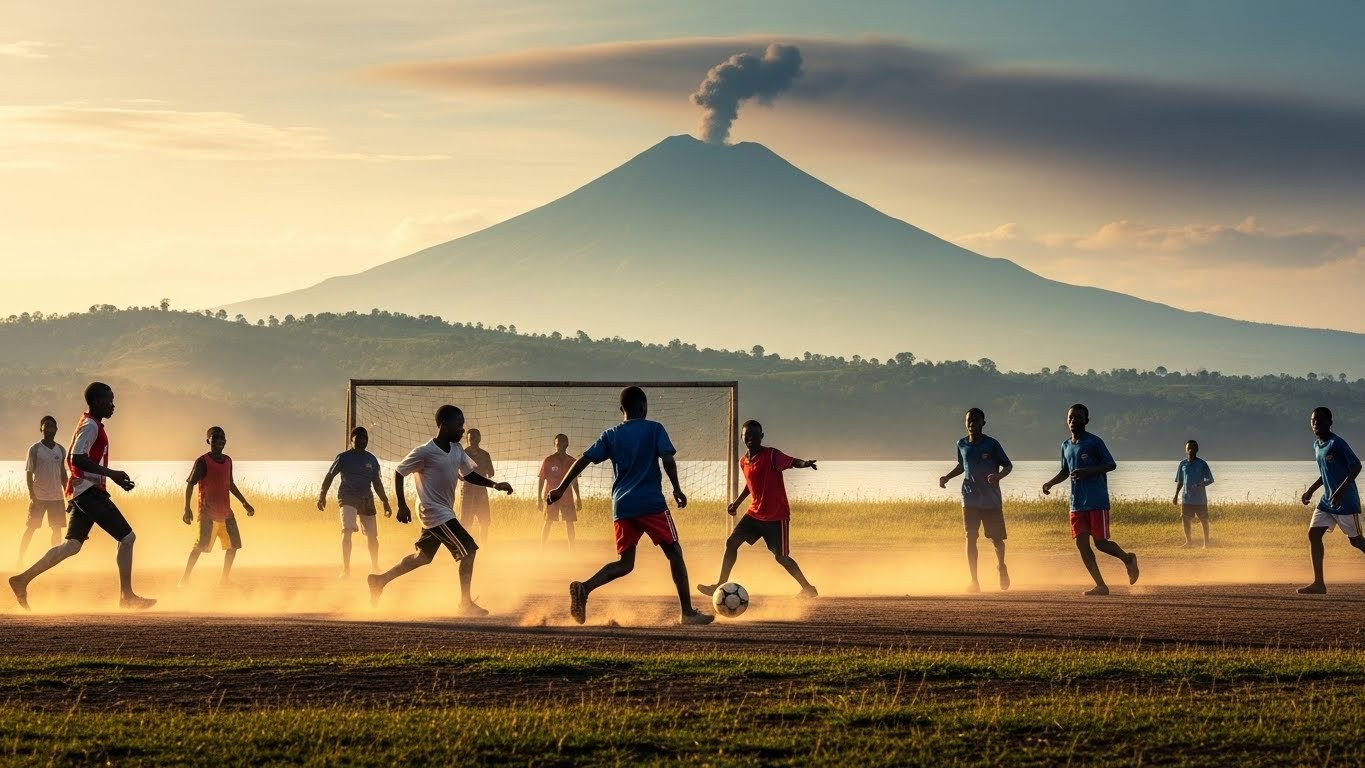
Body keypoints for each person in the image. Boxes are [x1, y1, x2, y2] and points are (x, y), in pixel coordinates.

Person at [548, 386, 712, 626]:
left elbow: (584, 459)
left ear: (621, 409)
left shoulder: (611, 434)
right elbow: (667, 459)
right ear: (644, 406)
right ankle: (687, 613)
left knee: (625, 563)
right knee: (674, 552)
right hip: (650, 503)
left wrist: (561, 488)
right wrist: (676, 488)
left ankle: (585, 587)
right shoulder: (654, 428)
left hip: (622, 506)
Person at [9, 382, 155, 610]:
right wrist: (112, 474)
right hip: (88, 493)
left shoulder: (91, 424)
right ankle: (126, 597)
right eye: (110, 400)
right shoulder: (91, 426)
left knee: (72, 546)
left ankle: (21, 580)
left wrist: (100, 482)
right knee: (127, 538)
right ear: (97, 402)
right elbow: (76, 458)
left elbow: (76, 460)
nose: (113, 405)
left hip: (83, 491)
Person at [367, 405, 511, 615]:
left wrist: (494, 485)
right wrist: (402, 504)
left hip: (442, 510)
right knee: (469, 550)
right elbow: (399, 472)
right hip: (432, 510)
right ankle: (465, 603)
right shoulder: (425, 452)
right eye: (459, 425)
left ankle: (379, 580)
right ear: (444, 426)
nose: (463, 430)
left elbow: (469, 474)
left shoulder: (457, 449)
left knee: (422, 557)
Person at [698, 419, 819, 599]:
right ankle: (719, 584)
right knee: (731, 543)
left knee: (781, 557)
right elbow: (750, 485)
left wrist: (805, 464)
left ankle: (808, 588)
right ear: (742, 437)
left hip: (776, 517)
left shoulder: (771, 456)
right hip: (754, 514)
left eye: (755, 436)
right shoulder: (743, 461)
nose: (751, 439)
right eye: (747, 436)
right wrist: (737, 503)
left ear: (761, 437)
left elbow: (792, 461)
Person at [1042, 403, 1140, 596]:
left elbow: (1111, 464)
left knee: (1101, 543)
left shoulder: (1094, 442)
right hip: (1076, 503)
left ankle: (1128, 559)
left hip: (1096, 501)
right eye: (1070, 418)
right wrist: (1050, 483)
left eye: (1078, 417)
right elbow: (1065, 470)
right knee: (1081, 544)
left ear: (1086, 420)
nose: (1073, 421)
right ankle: (1101, 585)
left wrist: (1088, 471)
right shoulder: (1065, 445)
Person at [938, 407, 1013, 592]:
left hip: (991, 499)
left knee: (996, 539)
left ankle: (1001, 566)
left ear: (983, 423)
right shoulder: (961, 444)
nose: (972, 424)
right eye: (969, 420)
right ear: (965, 423)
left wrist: (998, 476)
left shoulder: (992, 444)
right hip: (969, 497)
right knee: (970, 536)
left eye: (976, 420)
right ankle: (974, 580)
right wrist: (947, 477)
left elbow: (1008, 465)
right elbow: (962, 466)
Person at [1295, 407, 1365, 594]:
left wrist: (1341, 491)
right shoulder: (1317, 445)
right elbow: (1325, 474)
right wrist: (1310, 490)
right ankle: (1319, 583)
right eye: (1313, 421)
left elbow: (1356, 466)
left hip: (1346, 502)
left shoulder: (1337, 443)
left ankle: (1319, 583)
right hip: (1327, 502)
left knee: (1357, 542)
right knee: (1313, 534)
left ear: (1329, 422)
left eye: (1320, 420)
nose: (1316, 424)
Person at [181, 426, 256, 586]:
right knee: (201, 545)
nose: (219, 441)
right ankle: (185, 579)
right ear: (208, 441)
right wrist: (187, 509)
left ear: (226, 441)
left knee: (234, 544)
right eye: (215, 438)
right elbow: (190, 484)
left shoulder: (228, 460)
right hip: (207, 512)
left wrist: (245, 502)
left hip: (226, 512)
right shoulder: (202, 461)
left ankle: (224, 579)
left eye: (222, 438)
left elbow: (230, 484)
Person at [318, 427, 392, 578]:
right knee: (347, 530)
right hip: (348, 497)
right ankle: (346, 570)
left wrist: (385, 501)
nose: (362, 442)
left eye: (365, 439)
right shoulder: (343, 457)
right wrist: (322, 495)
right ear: (351, 440)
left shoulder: (371, 459)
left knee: (372, 536)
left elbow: (377, 482)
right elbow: (330, 475)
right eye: (358, 439)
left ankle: (375, 566)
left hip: (366, 498)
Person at [20, 415, 68, 564]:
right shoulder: (34, 449)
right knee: (31, 528)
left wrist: (68, 494)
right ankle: (19, 559)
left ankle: (54, 562)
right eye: (46, 426)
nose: (49, 429)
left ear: (56, 429)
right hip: (39, 497)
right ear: (41, 429)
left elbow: (63, 474)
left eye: (52, 426)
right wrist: (32, 495)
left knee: (56, 529)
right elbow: (29, 473)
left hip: (57, 497)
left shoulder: (60, 450)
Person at [536, 433, 582, 552]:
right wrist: (539, 498)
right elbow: (541, 479)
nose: (560, 446)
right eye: (557, 443)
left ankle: (572, 550)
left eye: (562, 443)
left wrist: (578, 498)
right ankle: (542, 549)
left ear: (566, 445)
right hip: (551, 497)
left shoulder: (572, 461)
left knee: (569, 522)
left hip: (567, 497)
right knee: (548, 521)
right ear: (554, 444)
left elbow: (574, 482)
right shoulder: (548, 460)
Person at [1173, 440, 1214, 548]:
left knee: (1204, 520)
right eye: (1188, 447)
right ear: (1186, 450)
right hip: (1187, 498)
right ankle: (1189, 542)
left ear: (1197, 450)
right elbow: (1180, 481)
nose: (1190, 449)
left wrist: (1201, 484)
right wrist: (1176, 496)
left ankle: (1206, 543)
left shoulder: (1202, 464)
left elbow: (1210, 479)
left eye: (1192, 447)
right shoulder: (1183, 464)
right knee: (1185, 520)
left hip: (1200, 499)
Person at [459, 428, 495, 542]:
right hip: (468, 492)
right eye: (471, 439)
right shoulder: (463, 454)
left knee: (483, 522)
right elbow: (457, 472)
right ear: (468, 440)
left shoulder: (484, 455)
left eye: (474, 439)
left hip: (480, 492)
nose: (473, 442)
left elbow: (491, 473)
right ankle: (468, 548)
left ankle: (483, 548)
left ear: (479, 439)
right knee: (466, 523)